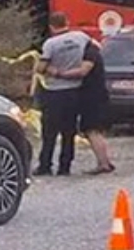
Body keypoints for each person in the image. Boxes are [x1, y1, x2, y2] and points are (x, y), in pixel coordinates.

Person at [33, 12, 91, 176]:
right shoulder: (81, 37)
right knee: (69, 131)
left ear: (51, 26)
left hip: (54, 92)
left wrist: (55, 71)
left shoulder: (50, 44)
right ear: (67, 22)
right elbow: (93, 49)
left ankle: (45, 165)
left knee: (49, 132)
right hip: (74, 91)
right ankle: (65, 167)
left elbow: (41, 68)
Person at [49, 36, 115, 175]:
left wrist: (60, 73)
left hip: (93, 98)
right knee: (95, 130)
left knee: (92, 130)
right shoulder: (93, 51)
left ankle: (103, 164)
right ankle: (105, 162)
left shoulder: (91, 54)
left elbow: (83, 71)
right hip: (96, 96)